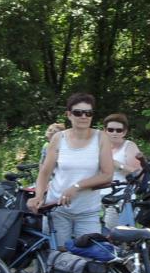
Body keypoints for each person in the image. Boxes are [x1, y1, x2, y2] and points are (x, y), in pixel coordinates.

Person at [26, 92, 114, 247]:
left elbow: (107, 175)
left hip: (88, 211)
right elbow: (45, 172)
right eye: (78, 113)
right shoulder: (59, 138)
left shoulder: (101, 138)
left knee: (90, 260)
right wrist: (38, 196)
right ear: (69, 115)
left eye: (88, 113)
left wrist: (76, 187)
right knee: (57, 258)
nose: (83, 117)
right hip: (57, 208)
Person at [99, 113, 144, 229]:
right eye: (111, 129)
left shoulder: (129, 146)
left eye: (119, 130)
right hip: (98, 198)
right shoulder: (99, 146)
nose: (114, 133)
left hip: (121, 198)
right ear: (105, 131)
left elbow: (138, 174)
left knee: (115, 234)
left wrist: (117, 164)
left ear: (124, 132)